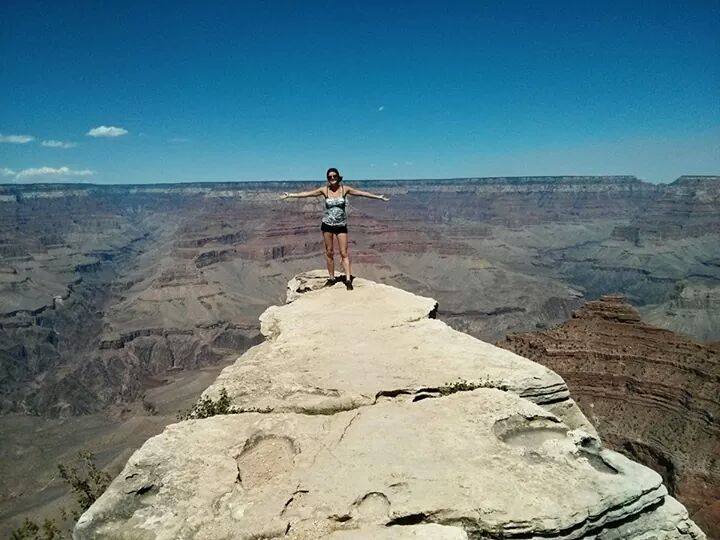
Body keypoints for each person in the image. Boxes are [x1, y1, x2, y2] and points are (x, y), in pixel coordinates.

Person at [280, 167, 389, 290]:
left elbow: (361, 193)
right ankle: (331, 278)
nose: (332, 178)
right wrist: (290, 195)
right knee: (329, 252)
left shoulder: (344, 189)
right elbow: (307, 194)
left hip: (341, 225)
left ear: (338, 177)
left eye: (334, 176)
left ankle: (348, 280)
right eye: (329, 177)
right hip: (327, 225)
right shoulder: (324, 190)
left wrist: (378, 197)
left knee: (344, 253)